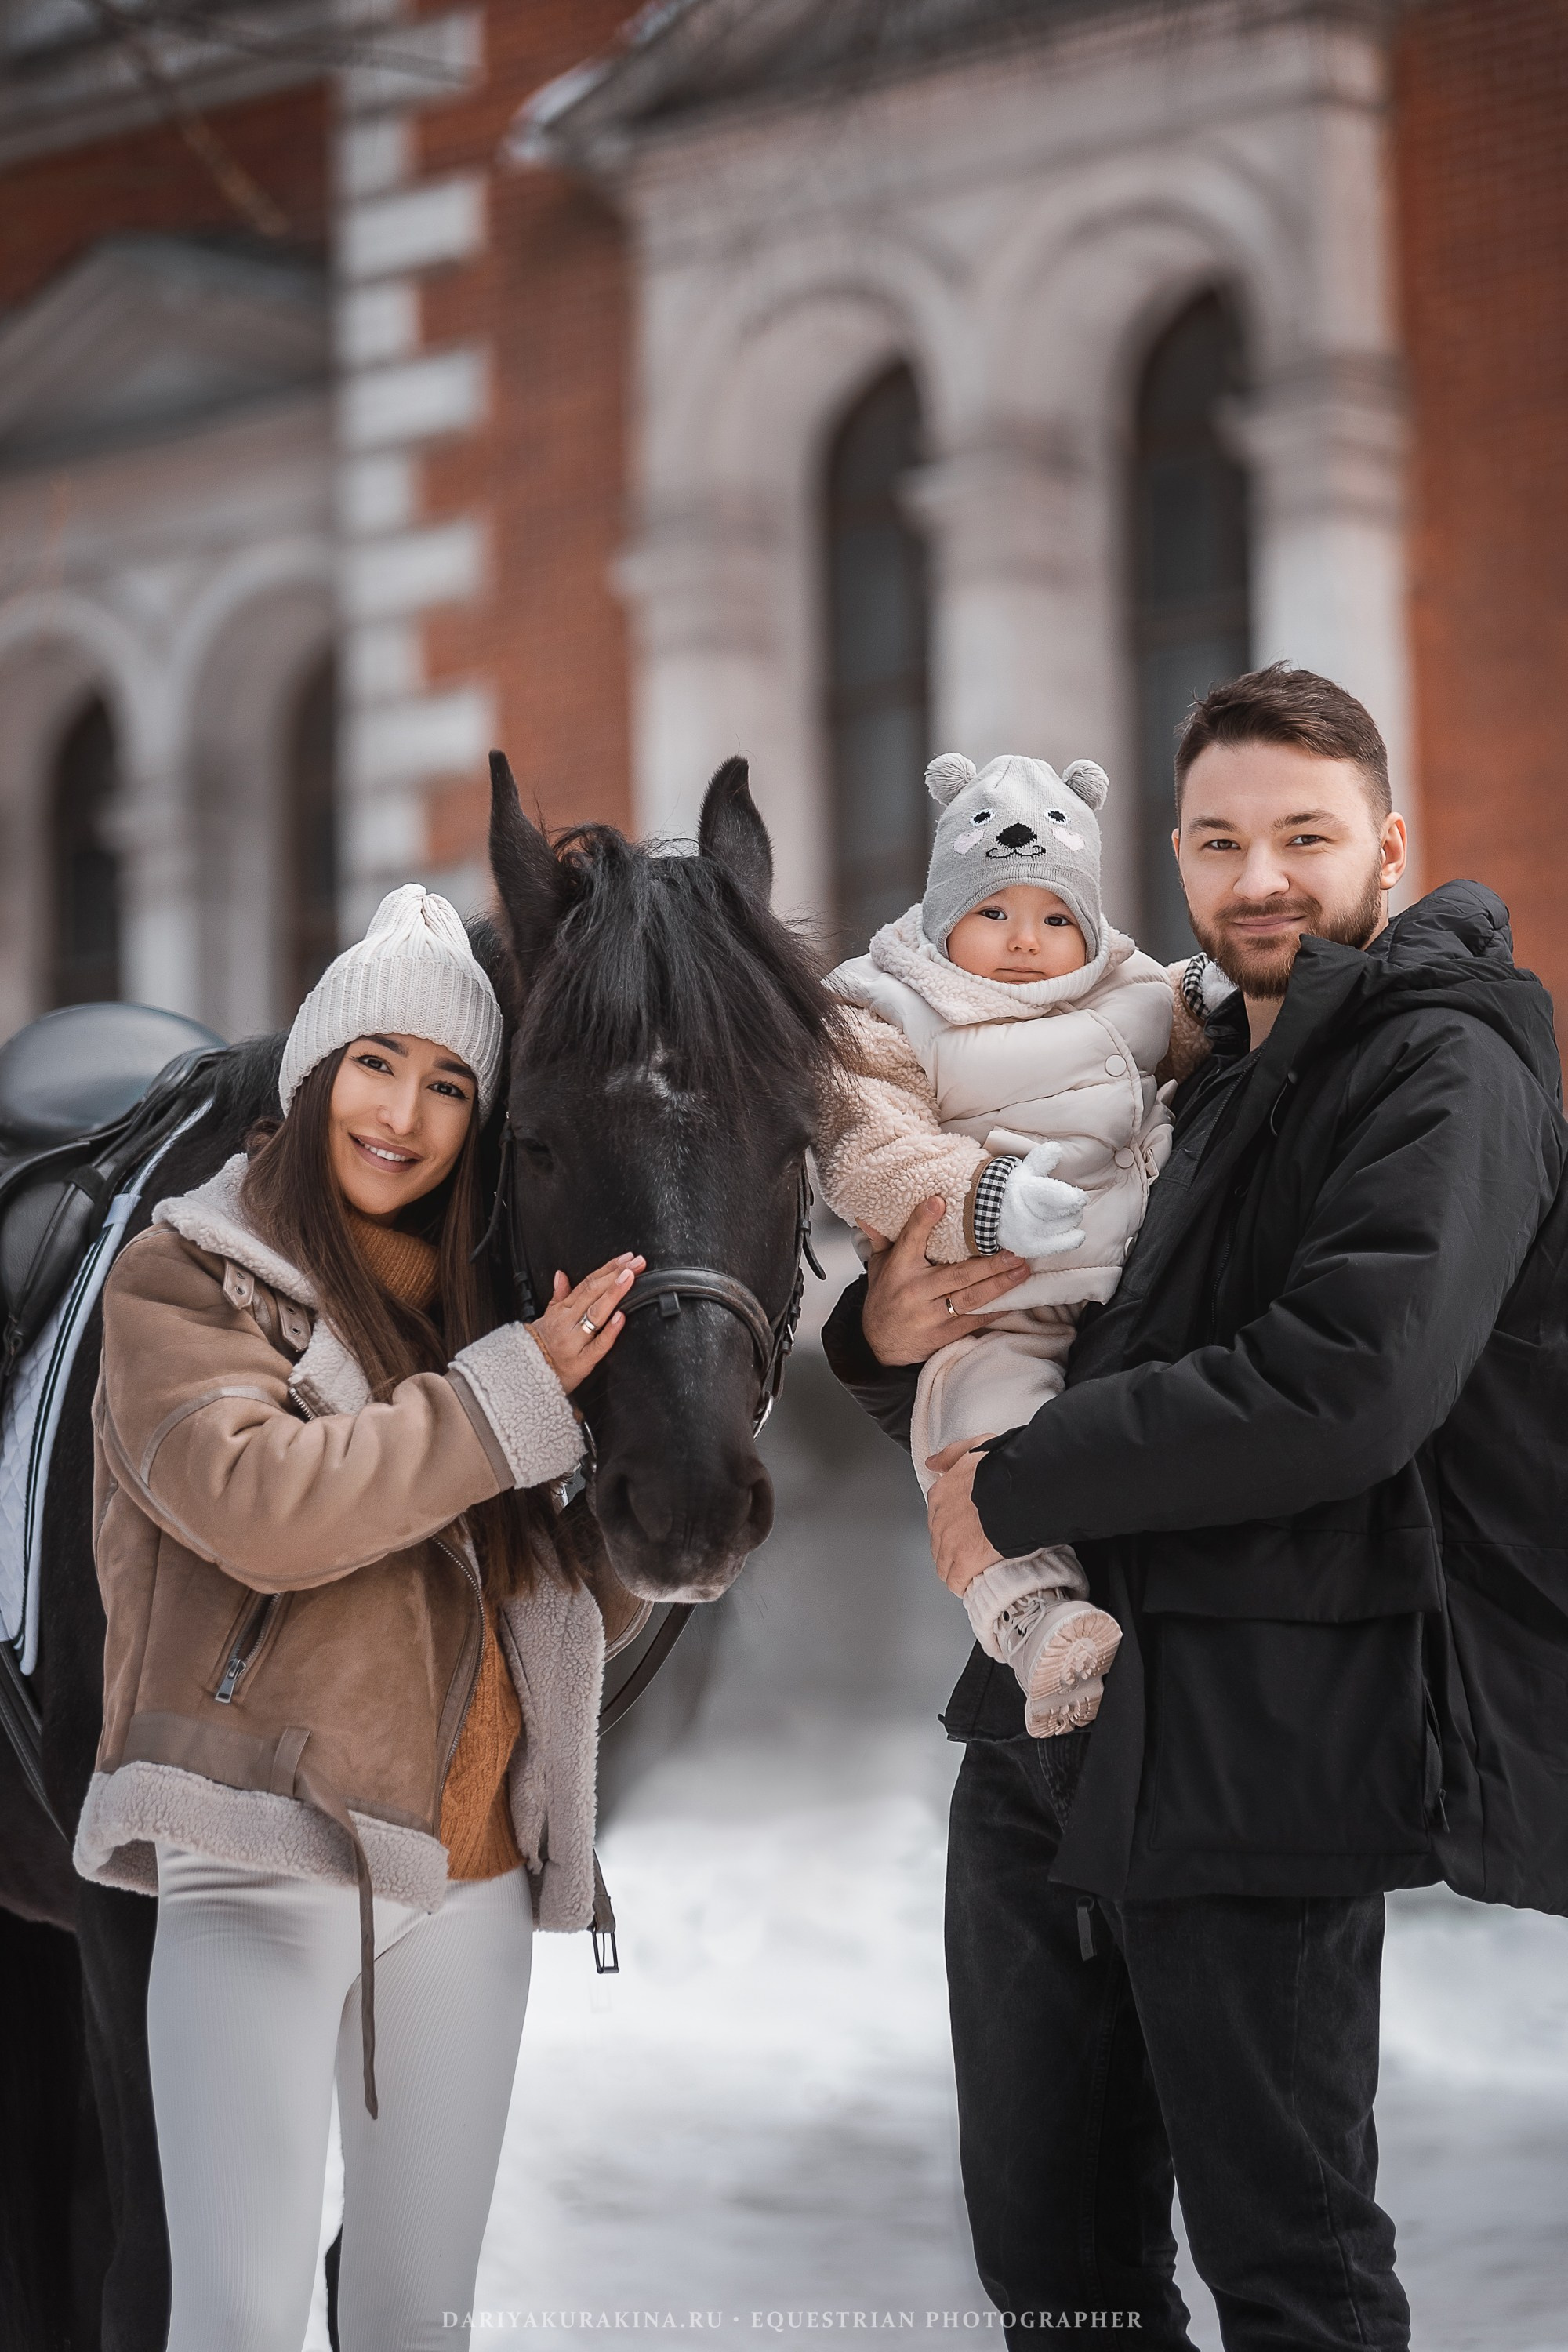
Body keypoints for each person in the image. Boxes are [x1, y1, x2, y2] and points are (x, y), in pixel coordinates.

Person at [822, 664, 1568, 2350]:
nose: (1261, 881)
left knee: (1287, 2273)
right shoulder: (1194, 1061)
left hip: (1262, 1740)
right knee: (1059, 2281)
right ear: (1173, 858)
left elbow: (1347, 1385)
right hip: (1043, 1732)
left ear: (1388, 844)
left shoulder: (1441, 1072)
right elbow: (1039, 1311)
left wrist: (1008, 1480)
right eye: (1221, 843)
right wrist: (878, 1337)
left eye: (1303, 837)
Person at [73, 885, 644, 2352]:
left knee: (416, 2326)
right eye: (378, 1065)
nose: (406, 1112)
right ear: (317, 1075)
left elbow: (555, 1609)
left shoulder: (485, 1327)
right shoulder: (183, 1280)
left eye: (450, 1082)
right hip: (258, 1862)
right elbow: (268, 1504)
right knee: (242, 2324)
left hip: (470, 1883)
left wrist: (654, 1495)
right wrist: (513, 1394)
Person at [817, 749, 1184, 1733]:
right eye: (992, 913)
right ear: (942, 919)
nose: (1025, 941)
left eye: (1054, 916)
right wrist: (979, 1198)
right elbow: (863, 1145)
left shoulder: (1136, 988)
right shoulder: (889, 1008)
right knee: (978, 1431)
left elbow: (1205, 1033)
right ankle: (1035, 1623)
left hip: (1131, 1293)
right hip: (998, 1301)